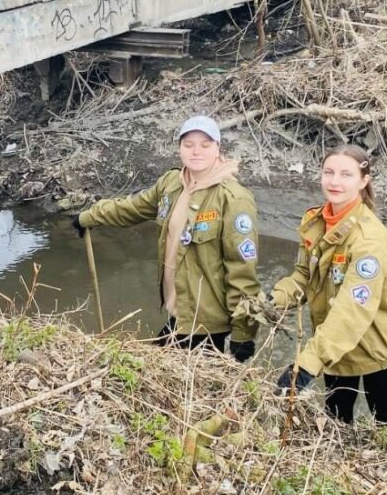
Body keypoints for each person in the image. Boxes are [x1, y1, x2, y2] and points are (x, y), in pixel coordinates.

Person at [72, 116, 261, 360]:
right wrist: (89, 217)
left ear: (218, 148)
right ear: (179, 148)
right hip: (179, 309)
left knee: (159, 369)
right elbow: (133, 208)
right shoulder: (172, 183)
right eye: (188, 144)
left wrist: (243, 333)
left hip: (204, 320)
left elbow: (242, 272)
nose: (196, 151)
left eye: (205, 145)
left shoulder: (233, 198)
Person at [271, 145, 387, 425]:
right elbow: (304, 277)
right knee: (336, 412)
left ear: (363, 181)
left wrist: (306, 365)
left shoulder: (369, 240)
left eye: (346, 174)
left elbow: (351, 311)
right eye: (329, 172)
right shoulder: (316, 221)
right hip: (336, 341)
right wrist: (271, 300)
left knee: (384, 415)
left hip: (381, 345)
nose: (335, 181)